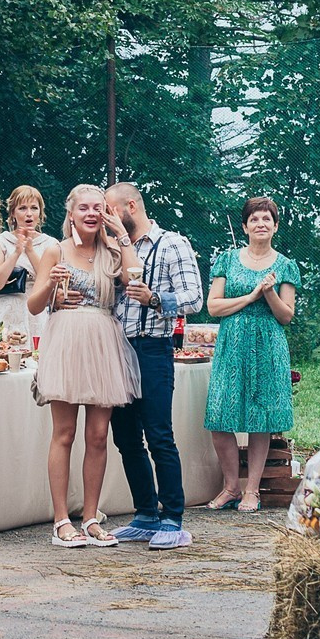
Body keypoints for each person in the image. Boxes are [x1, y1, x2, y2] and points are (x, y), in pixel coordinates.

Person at [28, 184, 140, 548]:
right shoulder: (54, 251)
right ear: (71, 213)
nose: (91, 214)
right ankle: (61, 520)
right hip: (66, 339)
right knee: (64, 433)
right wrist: (53, 288)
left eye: (98, 208)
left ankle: (90, 517)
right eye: (84, 208)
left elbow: (134, 276)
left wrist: (121, 234)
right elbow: (33, 304)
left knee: (97, 435)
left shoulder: (111, 250)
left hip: (104, 340)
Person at [105, 181, 204, 550]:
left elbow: (194, 297)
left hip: (153, 348)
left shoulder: (172, 243)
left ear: (130, 205)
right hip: (116, 349)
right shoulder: (112, 247)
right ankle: (145, 514)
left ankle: (173, 519)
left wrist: (155, 298)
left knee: (159, 434)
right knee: (126, 437)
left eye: (110, 210)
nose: (105, 218)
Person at [203, 196, 300, 512]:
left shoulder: (285, 265)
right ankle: (231, 486)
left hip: (267, 344)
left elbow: (285, 316)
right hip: (231, 343)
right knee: (220, 415)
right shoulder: (227, 260)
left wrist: (269, 293)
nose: (261, 224)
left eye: (267, 219)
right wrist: (251, 295)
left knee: (260, 418)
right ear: (245, 226)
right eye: (255, 219)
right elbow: (214, 306)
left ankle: (252, 491)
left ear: (275, 226)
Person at [0, 185, 54, 347]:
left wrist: (30, 251)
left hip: (36, 314)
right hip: (3, 313)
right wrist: (15, 253)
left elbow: (52, 287)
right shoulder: (1, 241)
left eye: (34, 208)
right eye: (22, 208)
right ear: (13, 213)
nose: (29, 213)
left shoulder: (51, 244)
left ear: (40, 213)